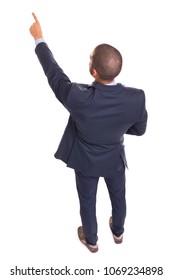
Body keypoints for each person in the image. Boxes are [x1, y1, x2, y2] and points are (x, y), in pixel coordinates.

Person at [29, 13, 148, 253]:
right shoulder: (136, 98)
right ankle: (118, 231)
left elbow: (53, 73)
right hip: (114, 159)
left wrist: (39, 38)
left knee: (87, 201)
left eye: (90, 59)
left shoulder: (77, 96)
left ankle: (91, 240)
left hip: (85, 161)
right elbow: (140, 129)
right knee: (119, 197)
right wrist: (116, 130)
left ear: (93, 71)